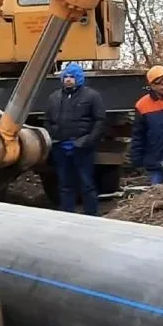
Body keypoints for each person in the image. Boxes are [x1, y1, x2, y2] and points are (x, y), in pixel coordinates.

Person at [42, 61, 105, 215]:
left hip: (82, 148)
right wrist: (52, 138)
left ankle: (92, 215)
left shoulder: (92, 96)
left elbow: (100, 120)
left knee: (86, 184)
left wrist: (88, 141)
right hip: (60, 148)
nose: (68, 79)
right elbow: (48, 120)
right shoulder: (54, 98)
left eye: (72, 76)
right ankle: (67, 214)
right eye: (66, 76)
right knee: (64, 184)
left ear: (79, 78)